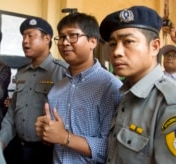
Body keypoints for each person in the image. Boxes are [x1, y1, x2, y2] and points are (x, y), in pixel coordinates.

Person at [99, 5, 176, 164]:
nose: (117, 52)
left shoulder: (174, 105)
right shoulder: (128, 93)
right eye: (112, 44)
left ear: (154, 47)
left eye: (128, 42)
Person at [35, 12, 123, 163]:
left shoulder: (110, 87)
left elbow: (112, 148)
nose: (65, 42)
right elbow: (54, 140)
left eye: (73, 35)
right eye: (62, 37)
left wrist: (65, 137)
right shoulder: (57, 89)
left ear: (93, 42)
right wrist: (47, 133)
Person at [0, 16, 68, 164]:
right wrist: (0, 143)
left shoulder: (63, 71)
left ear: (47, 39)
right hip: (17, 149)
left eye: (31, 36)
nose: (25, 41)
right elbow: (12, 114)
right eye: (23, 36)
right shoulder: (22, 72)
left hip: (48, 152)